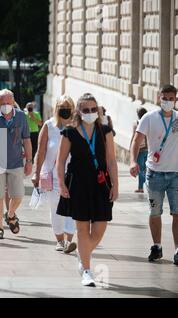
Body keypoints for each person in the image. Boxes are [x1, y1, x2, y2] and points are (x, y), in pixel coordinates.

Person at [56, 93, 118, 287]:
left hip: (101, 183)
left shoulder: (105, 131)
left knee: (99, 228)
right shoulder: (70, 131)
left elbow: (111, 160)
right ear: (79, 112)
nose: (90, 113)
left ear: (98, 111)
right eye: (86, 110)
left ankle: (82, 256)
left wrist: (115, 185)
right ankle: (87, 270)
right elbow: (60, 161)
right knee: (82, 229)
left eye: (93, 109)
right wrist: (61, 184)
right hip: (78, 183)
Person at [130, 84, 178, 266]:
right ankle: (157, 246)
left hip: (176, 174)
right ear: (159, 97)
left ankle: (177, 250)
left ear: (176, 100)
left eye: (170, 98)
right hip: (154, 175)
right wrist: (133, 161)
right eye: (164, 98)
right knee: (155, 212)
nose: (166, 101)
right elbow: (136, 140)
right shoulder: (149, 118)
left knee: (177, 213)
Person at [0, 89, 33, 240]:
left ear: (13, 101)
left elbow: (27, 140)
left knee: (18, 195)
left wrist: (29, 161)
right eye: (2, 103)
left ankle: (10, 214)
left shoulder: (22, 117)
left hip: (16, 162)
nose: (5, 106)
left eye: (8, 103)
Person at [32, 96, 77, 254]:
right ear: (56, 109)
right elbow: (41, 151)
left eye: (68, 107)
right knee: (56, 209)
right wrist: (36, 174)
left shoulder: (77, 126)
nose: (65, 109)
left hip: (73, 175)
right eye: (61, 107)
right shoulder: (49, 126)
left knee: (73, 209)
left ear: (72, 109)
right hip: (51, 176)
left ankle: (69, 241)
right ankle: (59, 240)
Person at [130, 107, 148, 193]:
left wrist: (131, 147)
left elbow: (134, 137)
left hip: (140, 149)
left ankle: (141, 187)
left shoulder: (136, 123)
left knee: (141, 168)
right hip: (148, 149)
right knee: (146, 168)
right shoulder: (149, 122)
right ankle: (147, 185)